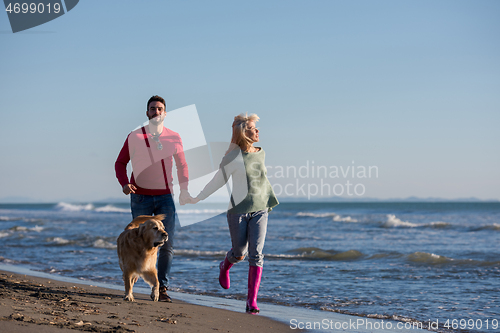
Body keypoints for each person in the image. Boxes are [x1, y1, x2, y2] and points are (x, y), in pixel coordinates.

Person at [190, 113, 278, 314]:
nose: (258, 131)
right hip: (238, 211)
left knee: (256, 255)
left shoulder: (261, 153)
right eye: (254, 128)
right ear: (243, 132)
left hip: (260, 209)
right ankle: (225, 265)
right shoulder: (231, 158)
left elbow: (261, 180)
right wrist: (199, 197)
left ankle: (251, 301)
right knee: (239, 253)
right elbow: (217, 181)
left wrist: (268, 199)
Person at [115, 95, 192, 302]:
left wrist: (184, 189)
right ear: (147, 113)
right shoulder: (135, 136)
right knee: (138, 240)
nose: (156, 112)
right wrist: (124, 183)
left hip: (165, 197)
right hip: (140, 197)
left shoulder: (174, 137)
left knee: (166, 243)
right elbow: (120, 163)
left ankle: (162, 287)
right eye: (152, 109)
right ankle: (131, 280)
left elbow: (182, 165)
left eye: (159, 109)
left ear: (165, 113)